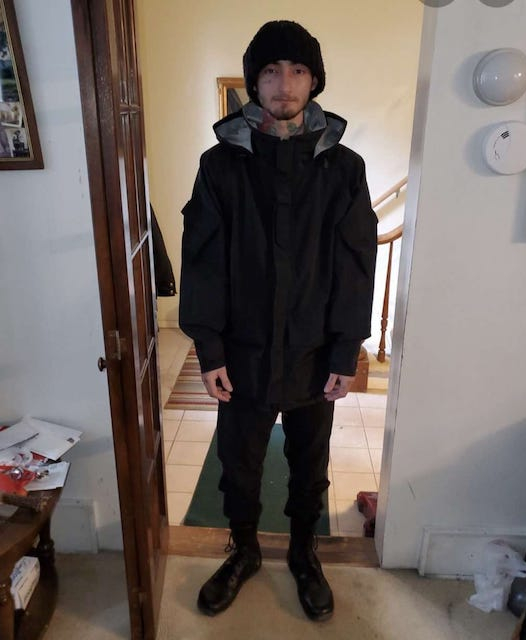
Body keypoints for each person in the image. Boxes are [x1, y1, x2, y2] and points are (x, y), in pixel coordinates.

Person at [179, 20, 377, 621]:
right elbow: (203, 260)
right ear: (254, 82)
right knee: (239, 462)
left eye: (296, 70)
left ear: (314, 80)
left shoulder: (344, 168)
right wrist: (210, 349)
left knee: (309, 463)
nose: (283, 84)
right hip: (243, 351)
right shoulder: (220, 165)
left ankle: (302, 552)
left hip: (314, 350)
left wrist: (345, 350)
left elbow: (355, 262)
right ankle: (243, 550)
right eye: (270, 71)